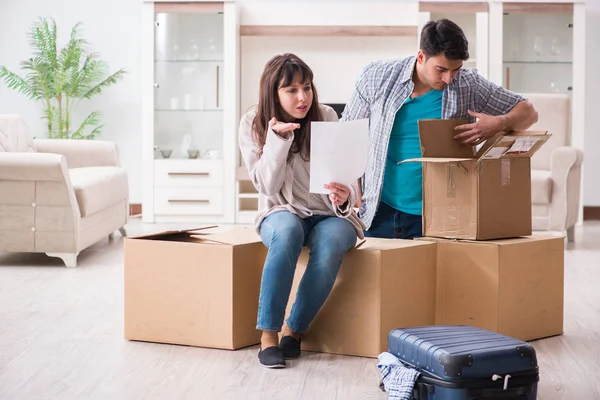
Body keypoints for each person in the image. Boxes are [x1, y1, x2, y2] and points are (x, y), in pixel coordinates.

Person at [342, 19, 539, 239]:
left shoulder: (468, 84)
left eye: (455, 70)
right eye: (441, 69)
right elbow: (347, 135)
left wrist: (498, 124)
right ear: (421, 57)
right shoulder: (377, 77)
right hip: (378, 211)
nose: (448, 78)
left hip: (440, 215)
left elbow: (529, 113)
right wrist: (355, 195)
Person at [238, 53, 365, 369]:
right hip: (281, 211)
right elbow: (267, 187)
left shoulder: (326, 117)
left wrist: (343, 195)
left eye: (306, 88)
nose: (302, 97)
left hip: (328, 214)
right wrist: (278, 141)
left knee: (334, 239)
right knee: (287, 230)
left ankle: (293, 331)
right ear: (274, 93)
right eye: (291, 90)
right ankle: (268, 335)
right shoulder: (253, 122)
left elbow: (347, 182)